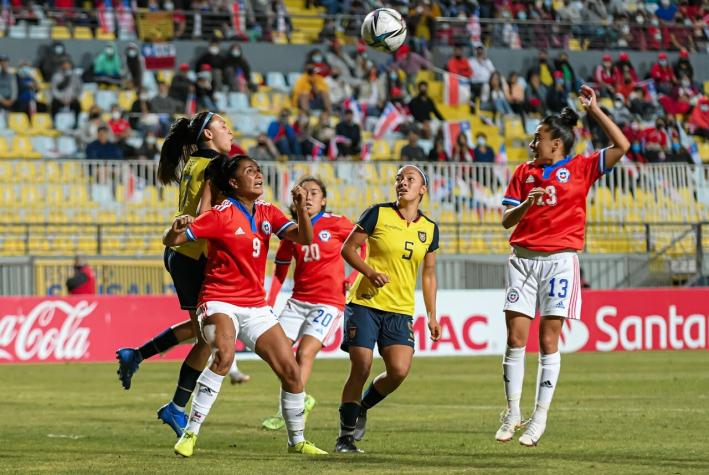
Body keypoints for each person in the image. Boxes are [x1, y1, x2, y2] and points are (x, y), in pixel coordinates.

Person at [164, 155, 327, 457]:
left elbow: (305, 237)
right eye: (249, 171)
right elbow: (171, 240)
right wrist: (176, 228)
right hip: (218, 300)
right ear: (234, 183)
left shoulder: (268, 211)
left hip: (255, 306)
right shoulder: (219, 214)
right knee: (223, 357)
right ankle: (190, 434)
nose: (258, 175)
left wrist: (304, 208)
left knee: (291, 371)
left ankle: (297, 441)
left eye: (258, 170)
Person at [496, 86, 629, 446]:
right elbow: (506, 220)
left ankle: (539, 417)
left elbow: (622, 146)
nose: (532, 142)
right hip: (522, 260)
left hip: (559, 263)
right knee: (514, 338)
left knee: (548, 339)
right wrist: (527, 204)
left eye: (538, 137)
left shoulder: (581, 167)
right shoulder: (524, 173)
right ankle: (512, 412)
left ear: (557, 144)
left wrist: (596, 111)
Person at [115, 112, 249, 437]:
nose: (230, 131)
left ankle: (137, 355)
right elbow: (210, 214)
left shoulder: (196, 161)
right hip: (191, 255)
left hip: (183, 253)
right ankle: (175, 408)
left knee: (200, 329)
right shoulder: (217, 165)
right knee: (207, 336)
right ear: (207, 135)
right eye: (223, 126)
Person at [335, 165, 441, 453]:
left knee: (398, 371)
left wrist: (432, 315)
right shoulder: (377, 213)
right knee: (362, 365)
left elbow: (429, 274)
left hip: (400, 309)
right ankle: (344, 437)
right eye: (399, 179)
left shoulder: (429, 229)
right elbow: (347, 249)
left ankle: (363, 407)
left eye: (410, 179)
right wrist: (369, 272)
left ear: (423, 189)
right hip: (365, 302)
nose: (402, 183)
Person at [261, 177, 362, 431]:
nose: (308, 197)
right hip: (298, 301)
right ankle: (301, 397)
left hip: (328, 302)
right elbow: (281, 268)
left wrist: (354, 277)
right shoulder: (291, 230)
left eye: (314, 192)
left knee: (304, 353)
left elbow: (363, 246)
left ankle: (287, 410)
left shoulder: (337, 223)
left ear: (324, 200)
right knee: (276, 351)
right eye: (304, 192)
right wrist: (269, 302)